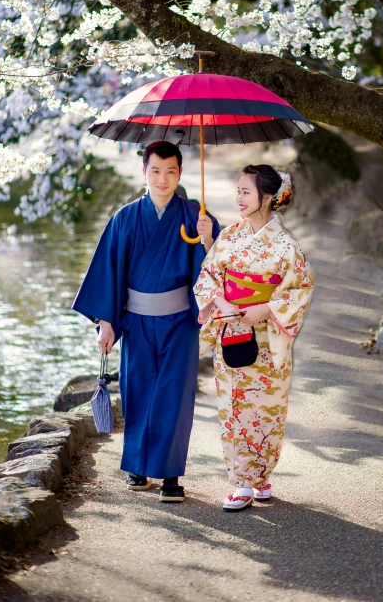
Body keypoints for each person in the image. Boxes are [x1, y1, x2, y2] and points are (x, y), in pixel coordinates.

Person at [73, 141, 219, 503]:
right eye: (156, 170)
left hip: (180, 321)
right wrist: (106, 323)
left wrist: (209, 239)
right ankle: (138, 467)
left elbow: (219, 269)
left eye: (171, 171)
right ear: (144, 172)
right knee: (138, 393)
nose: (163, 178)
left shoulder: (196, 218)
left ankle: (170, 475)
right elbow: (107, 273)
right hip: (136, 321)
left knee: (174, 395)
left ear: (181, 174)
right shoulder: (124, 218)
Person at [194, 165, 314, 512]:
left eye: (246, 192)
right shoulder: (230, 235)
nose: (239, 198)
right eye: (238, 191)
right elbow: (208, 275)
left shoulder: (286, 246)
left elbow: (300, 289)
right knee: (234, 408)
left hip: (267, 339)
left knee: (267, 411)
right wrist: (222, 302)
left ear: (266, 198)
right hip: (232, 332)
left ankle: (259, 476)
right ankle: (243, 480)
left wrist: (265, 309)